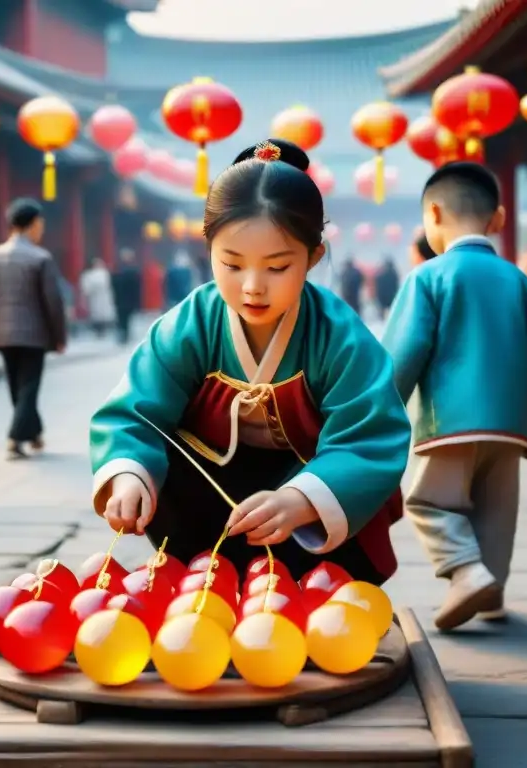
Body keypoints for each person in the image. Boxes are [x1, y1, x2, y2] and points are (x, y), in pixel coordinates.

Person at [88, 138, 411, 585]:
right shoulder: (190, 324)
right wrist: (130, 477)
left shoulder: (338, 335)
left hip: (305, 498)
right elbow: (136, 413)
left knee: (326, 564)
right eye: (233, 264)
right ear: (209, 250)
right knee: (172, 495)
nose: (253, 287)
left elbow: (370, 435)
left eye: (277, 267)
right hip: (208, 498)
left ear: (313, 257)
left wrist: (302, 499)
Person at [381, 162, 527, 631]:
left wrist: (380, 410)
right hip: (510, 423)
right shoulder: (517, 280)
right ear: (499, 219)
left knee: (429, 501)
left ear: (434, 214)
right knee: (496, 509)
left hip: (450, 421)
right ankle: (493, 593)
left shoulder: (428, 277)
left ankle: (464, 570)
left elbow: (404, 352)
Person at [0, 198, 67, 461]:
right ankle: (15, 438)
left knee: (17, 387)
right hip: (34, 336)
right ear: (32, 225)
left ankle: (33, 433)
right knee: (29, 387)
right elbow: (52, 302)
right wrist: (59, 336)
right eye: (40, 224)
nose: (41, 229)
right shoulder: (41, 257)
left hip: (4, 334)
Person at [111, 248, 141, 345]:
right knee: (123, 317)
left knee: (124, 317)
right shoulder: (124, 270)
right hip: (122, 298)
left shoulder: (122, 270)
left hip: (124, 298)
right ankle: (123, 333)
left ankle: (124, 334)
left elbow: (136, 287)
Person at [79, 258, 116, 338]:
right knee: (95, 314)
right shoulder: (88, 274)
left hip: (104, 296)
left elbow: (109, 285)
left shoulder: (105, 273)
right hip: (94, 297)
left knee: (103, 314)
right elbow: (86, 287)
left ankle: (103, 329)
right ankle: (97, 330)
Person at [374, 255, 400, 320]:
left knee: (383, 311)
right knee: (392, 311)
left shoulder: (381, 273)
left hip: (383, 296)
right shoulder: (394, 273)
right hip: (391, 295)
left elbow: (377, 282)